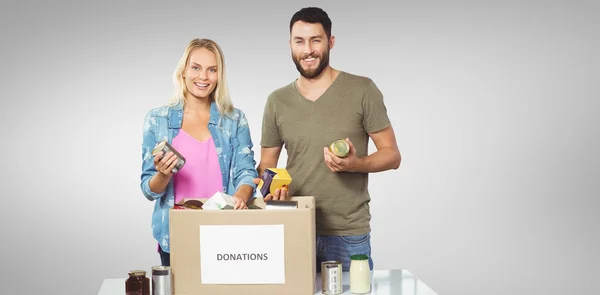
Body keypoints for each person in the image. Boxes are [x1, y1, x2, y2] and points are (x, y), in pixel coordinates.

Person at [256, 7, 401, 271]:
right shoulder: (277, 101)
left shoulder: (362, 89)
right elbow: (267, 164)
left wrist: (356, 164)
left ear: (330, 42)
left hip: (347, 232)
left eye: (316, 40)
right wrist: (273, 189)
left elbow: (392, 155)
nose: (307, 49)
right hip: (294, 225)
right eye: (299, 41)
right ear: (290, 44)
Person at [140, 38, 258, 266]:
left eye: (212, 70)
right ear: (183, 71)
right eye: (196, 67)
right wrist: (163, 175)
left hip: (225, 236)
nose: (203, 77)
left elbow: (246, 172)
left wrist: (240, 198)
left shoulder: (234, 120)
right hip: (176, 237)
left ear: (219, 75)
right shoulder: (157, 120)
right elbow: (148, 189)